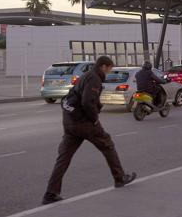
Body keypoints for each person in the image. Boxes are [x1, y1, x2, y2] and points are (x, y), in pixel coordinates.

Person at [43, 56, 136, 205]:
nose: (109, 71)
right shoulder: (94, 79)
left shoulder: (85, 75)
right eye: (110, 68)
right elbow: (87, 102)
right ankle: (119, 178)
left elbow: (77, 96)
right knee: (108, 145)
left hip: (69, 122)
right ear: (104, 67)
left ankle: (50, 193)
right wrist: (94, 119)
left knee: (63, 158)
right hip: (84, 123)